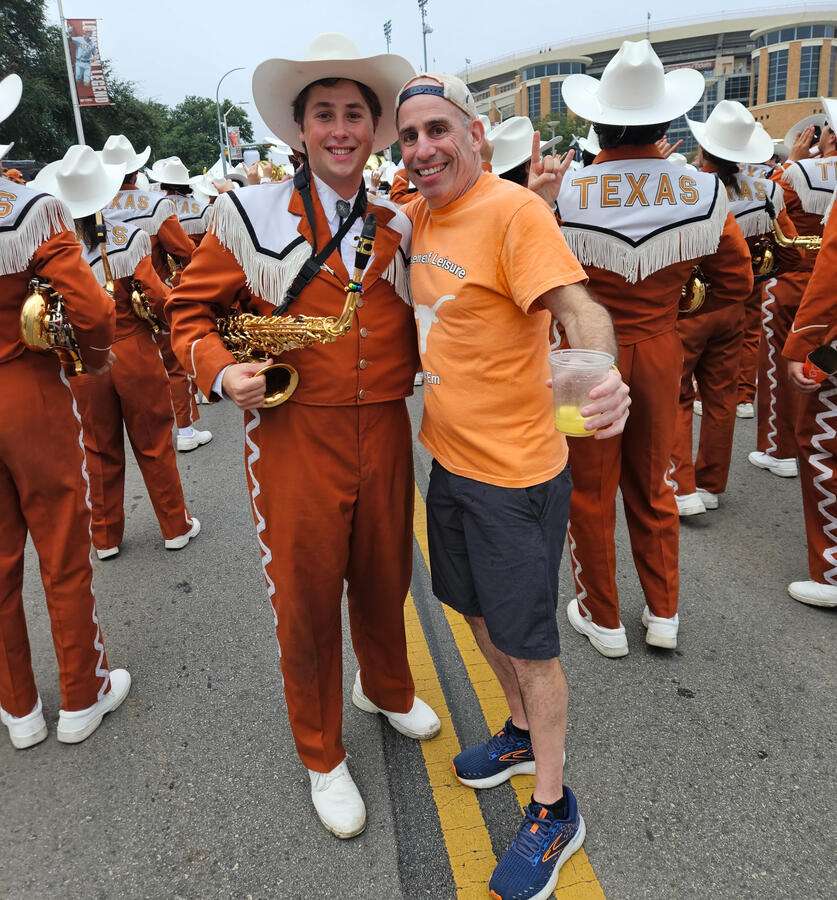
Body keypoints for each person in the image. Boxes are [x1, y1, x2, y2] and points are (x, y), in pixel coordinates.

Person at [165, 34, 439, 840]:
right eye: (325, 114)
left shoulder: (397, 218)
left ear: (374, 126)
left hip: (386, 424)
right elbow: (189, 313)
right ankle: (321, 753)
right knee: (309, 598)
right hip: (293, 434)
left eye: (355, 113)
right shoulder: (244, 213)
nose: (341, 128)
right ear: (298, 130)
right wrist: (220, 371)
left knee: (385, 571)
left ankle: (385, 687)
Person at [395, 71, 630, 900]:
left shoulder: (513, 210)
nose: (423, 148)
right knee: (473, 610)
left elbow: (578, 306)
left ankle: (555, 806)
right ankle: (522, 733)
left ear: (473, 134)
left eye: (437, 130)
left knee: (531, 646)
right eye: (410, 136)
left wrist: (602, 377)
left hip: (517, 476)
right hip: (451, 464)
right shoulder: (420, 212)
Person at [547, 40, 751, 656]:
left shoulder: (567, 192)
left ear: (598, 121)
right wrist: (676, 311)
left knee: (590, 488)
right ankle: (663, 612)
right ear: (663, 120)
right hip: (662, 347)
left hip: (586, 355)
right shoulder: (700, 189)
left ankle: (602, 616)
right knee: (656, 483)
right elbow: (736, 282)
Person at [0, 74, 130, 750]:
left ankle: (18, 711)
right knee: (61, 549)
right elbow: (92, 307)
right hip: (27, 394)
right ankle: (81, 694)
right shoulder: (29, 206)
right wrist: (95, 357)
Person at [30, 145, 200, 559]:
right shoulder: (132, 237)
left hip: (81, 362)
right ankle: (175, 526)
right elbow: (157, 297)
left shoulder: (50, 249)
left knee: (97, 447)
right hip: (134, 351)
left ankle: (105, 536)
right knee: (154, 441)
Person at [672, 101, 796, 515]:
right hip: (739, 300)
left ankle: (683, 485)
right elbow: (790, 251)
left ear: (704, 149)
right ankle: (709, 484)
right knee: (721, 396)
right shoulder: (771, 189)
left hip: (690, 305)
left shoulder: (688, 185)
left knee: (678, 395)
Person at [104, 142, 210, 454]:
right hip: (156, 291)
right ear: (136, 172)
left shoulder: (94, 208)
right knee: (174, 364)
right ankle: (186, 429)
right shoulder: (153, 204)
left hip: (111, 304)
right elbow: (183, 249)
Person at [751, 108, 837, 477]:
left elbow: (768, 203)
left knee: (780, 368)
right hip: (823, 284)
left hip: (794, 279)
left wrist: (796, 162)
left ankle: (780, 447)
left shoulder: (796, 173)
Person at [780, 104, 837, 609]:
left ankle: (832, 570)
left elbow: (831, 273)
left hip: (796, 294)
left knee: (822, 446)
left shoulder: (791, 176)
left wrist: (805, 346)